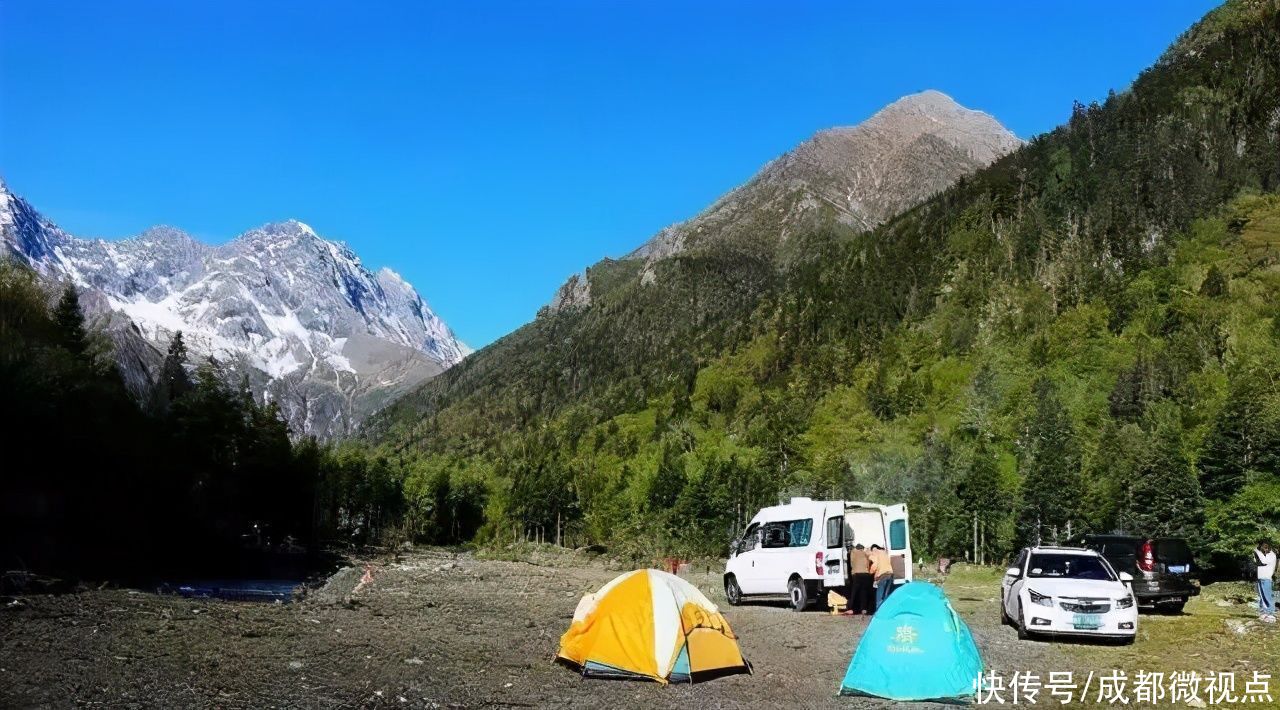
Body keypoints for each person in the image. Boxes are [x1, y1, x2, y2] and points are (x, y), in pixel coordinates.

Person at [848, 543, 874, 615]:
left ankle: (851, 608)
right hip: (866, 574)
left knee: (854, 592)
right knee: (864, 592)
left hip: (856, 574)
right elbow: (869, 562)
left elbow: (852, 563)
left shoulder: (853, 552)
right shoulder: (866, 553)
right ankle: (864, 609)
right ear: (862, 548)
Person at [1254, 539, 1276, 623]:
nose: (1264, 548)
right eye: (1263, 546)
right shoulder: (1263, 555)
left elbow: (1264, 561)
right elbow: (1257, 562)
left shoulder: (1271, 555)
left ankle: (1271, 614)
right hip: (1260, 578)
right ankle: (1263, 612)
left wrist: (1256, 550)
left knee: (1268, 596)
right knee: (1261, 597)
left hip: (1266, 579)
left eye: (1266, 546)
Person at [868, 544, 894, 612]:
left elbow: (875, 564)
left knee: (879, 595)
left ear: (872, 549)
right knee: (886, 595)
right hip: (890, 574)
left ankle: (878, 611)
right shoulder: (884, 552)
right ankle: (886, 611)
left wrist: (870, 571)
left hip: (882, 575)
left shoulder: (875, 553)